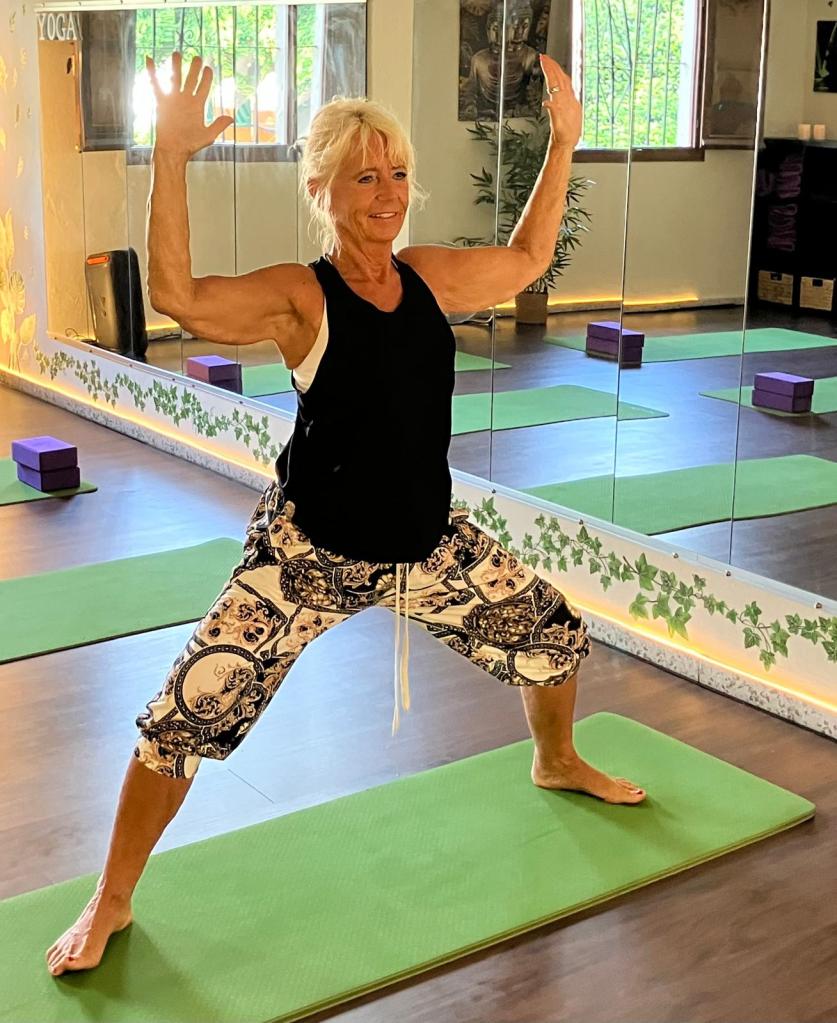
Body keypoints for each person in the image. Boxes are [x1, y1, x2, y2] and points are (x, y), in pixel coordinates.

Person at [45, 49, 645, 979]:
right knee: (182, 718)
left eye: (397, 174)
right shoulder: (302, 296)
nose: (387, 193)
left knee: (553, 636)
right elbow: (178, 298)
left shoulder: (429, 278)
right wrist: (169, 157)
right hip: (308, 555)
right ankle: (112, 896)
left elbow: (530, 258)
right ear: (319, 190)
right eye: (364, 177)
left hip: (424, 544)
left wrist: (563, 142)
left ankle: (555, 759)